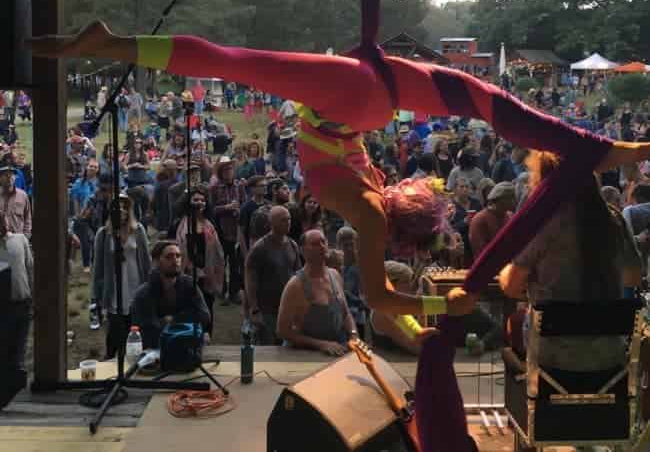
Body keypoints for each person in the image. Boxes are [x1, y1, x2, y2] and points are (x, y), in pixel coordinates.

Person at [29, 20, 650, 324]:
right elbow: (383, 301)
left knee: (500, 108)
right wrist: (441, 308)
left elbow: (382, 301)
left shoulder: (369, 197)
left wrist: (440, 308)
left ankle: (609, 149)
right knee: (236, 64)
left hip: (362, 93)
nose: (416, 184)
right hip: (350, 108)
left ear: (414, 202)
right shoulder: (368, 209)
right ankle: (609, 149)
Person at [499, 151, 642, 372]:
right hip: (608, 356)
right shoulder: (614, 220)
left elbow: (511, 286)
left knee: (515, 324)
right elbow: (633, 277)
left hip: (551, 358)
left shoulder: (544, 223)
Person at [277, 229, 358, 355]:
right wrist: (321, 344)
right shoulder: (295, 285)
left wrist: (354, 335)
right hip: (302, 356)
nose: (322, 246)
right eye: (315, 244)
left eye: (323, 241)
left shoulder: (335, 275)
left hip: (334, 352)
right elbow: (282, 331)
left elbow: (346, 313)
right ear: (303, 251)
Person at [93, 193, 151, 359]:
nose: (121, 210)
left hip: (136, 285)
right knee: (115, 331)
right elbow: (98, 268)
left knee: (135, 329)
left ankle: (133, 362)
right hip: (114, 290)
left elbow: (146, 262)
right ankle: (111, 361)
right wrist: (95, 296)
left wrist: (150, 288)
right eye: (117, 206)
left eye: (125, 206)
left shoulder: (138, 230)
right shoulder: (103, 234)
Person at [131, 240, 211, 349]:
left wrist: (173, 320)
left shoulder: (189, 284)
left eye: (178, 256)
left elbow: (204, 315)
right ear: (156, 261)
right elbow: (146, 328)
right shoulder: (144, 293)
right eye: (169, 256)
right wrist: (185, 322)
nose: (175, 260)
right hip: (155, 349)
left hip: (186, 347)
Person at [244, 205, 301, 344]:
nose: (288, 223)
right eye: (283, 220)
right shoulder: (260, 248)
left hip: (287, 306)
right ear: (272, 223)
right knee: (268, 349)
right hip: (266, 309)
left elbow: (298, 275)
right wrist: (254, 309)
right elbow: (250, 279)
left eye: (289, 219)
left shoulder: (293, 245)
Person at [174, 186, 224, 337]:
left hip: (207, 275)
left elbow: (217, 251)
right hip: (189, 274)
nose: (200, 203)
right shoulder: (179, 225)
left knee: (207, 307)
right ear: (188, 202)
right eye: (196, 200)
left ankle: (207, 333)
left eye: (202, 200)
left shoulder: (209, 225)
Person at [0, 214, 32, 410]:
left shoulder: (19, 240)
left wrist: (34, 297)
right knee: (5, 353)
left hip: (22, 303)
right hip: (3, 308)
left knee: (18, 352)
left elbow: (30, 268)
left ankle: (15, 397)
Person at [210, 156, 246, 305]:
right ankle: (222, 291)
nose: (228, 172)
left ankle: (234, 292)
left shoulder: (239, 186)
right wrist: (226, 208)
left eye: (230, 169)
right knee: (221, 262)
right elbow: (211, 210)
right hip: (221, 229)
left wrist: (239, 210)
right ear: (221, 172)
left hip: (236, 228)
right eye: (225, 169)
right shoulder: (215, 188)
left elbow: (244, 204)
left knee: (236, 262)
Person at [469, 182, 517, 259]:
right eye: (510, 198)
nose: (514, 201)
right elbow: (480, 252)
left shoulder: (510, 216)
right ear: (499, 200)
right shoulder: (480, 219)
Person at [0, 164, 31, 240]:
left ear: (15, 177)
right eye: (6, 175)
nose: (9, 177)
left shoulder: (23, 195)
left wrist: (26, 236)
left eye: (12, 174)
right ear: (0, 178)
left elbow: (28, 217)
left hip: (18, 239)